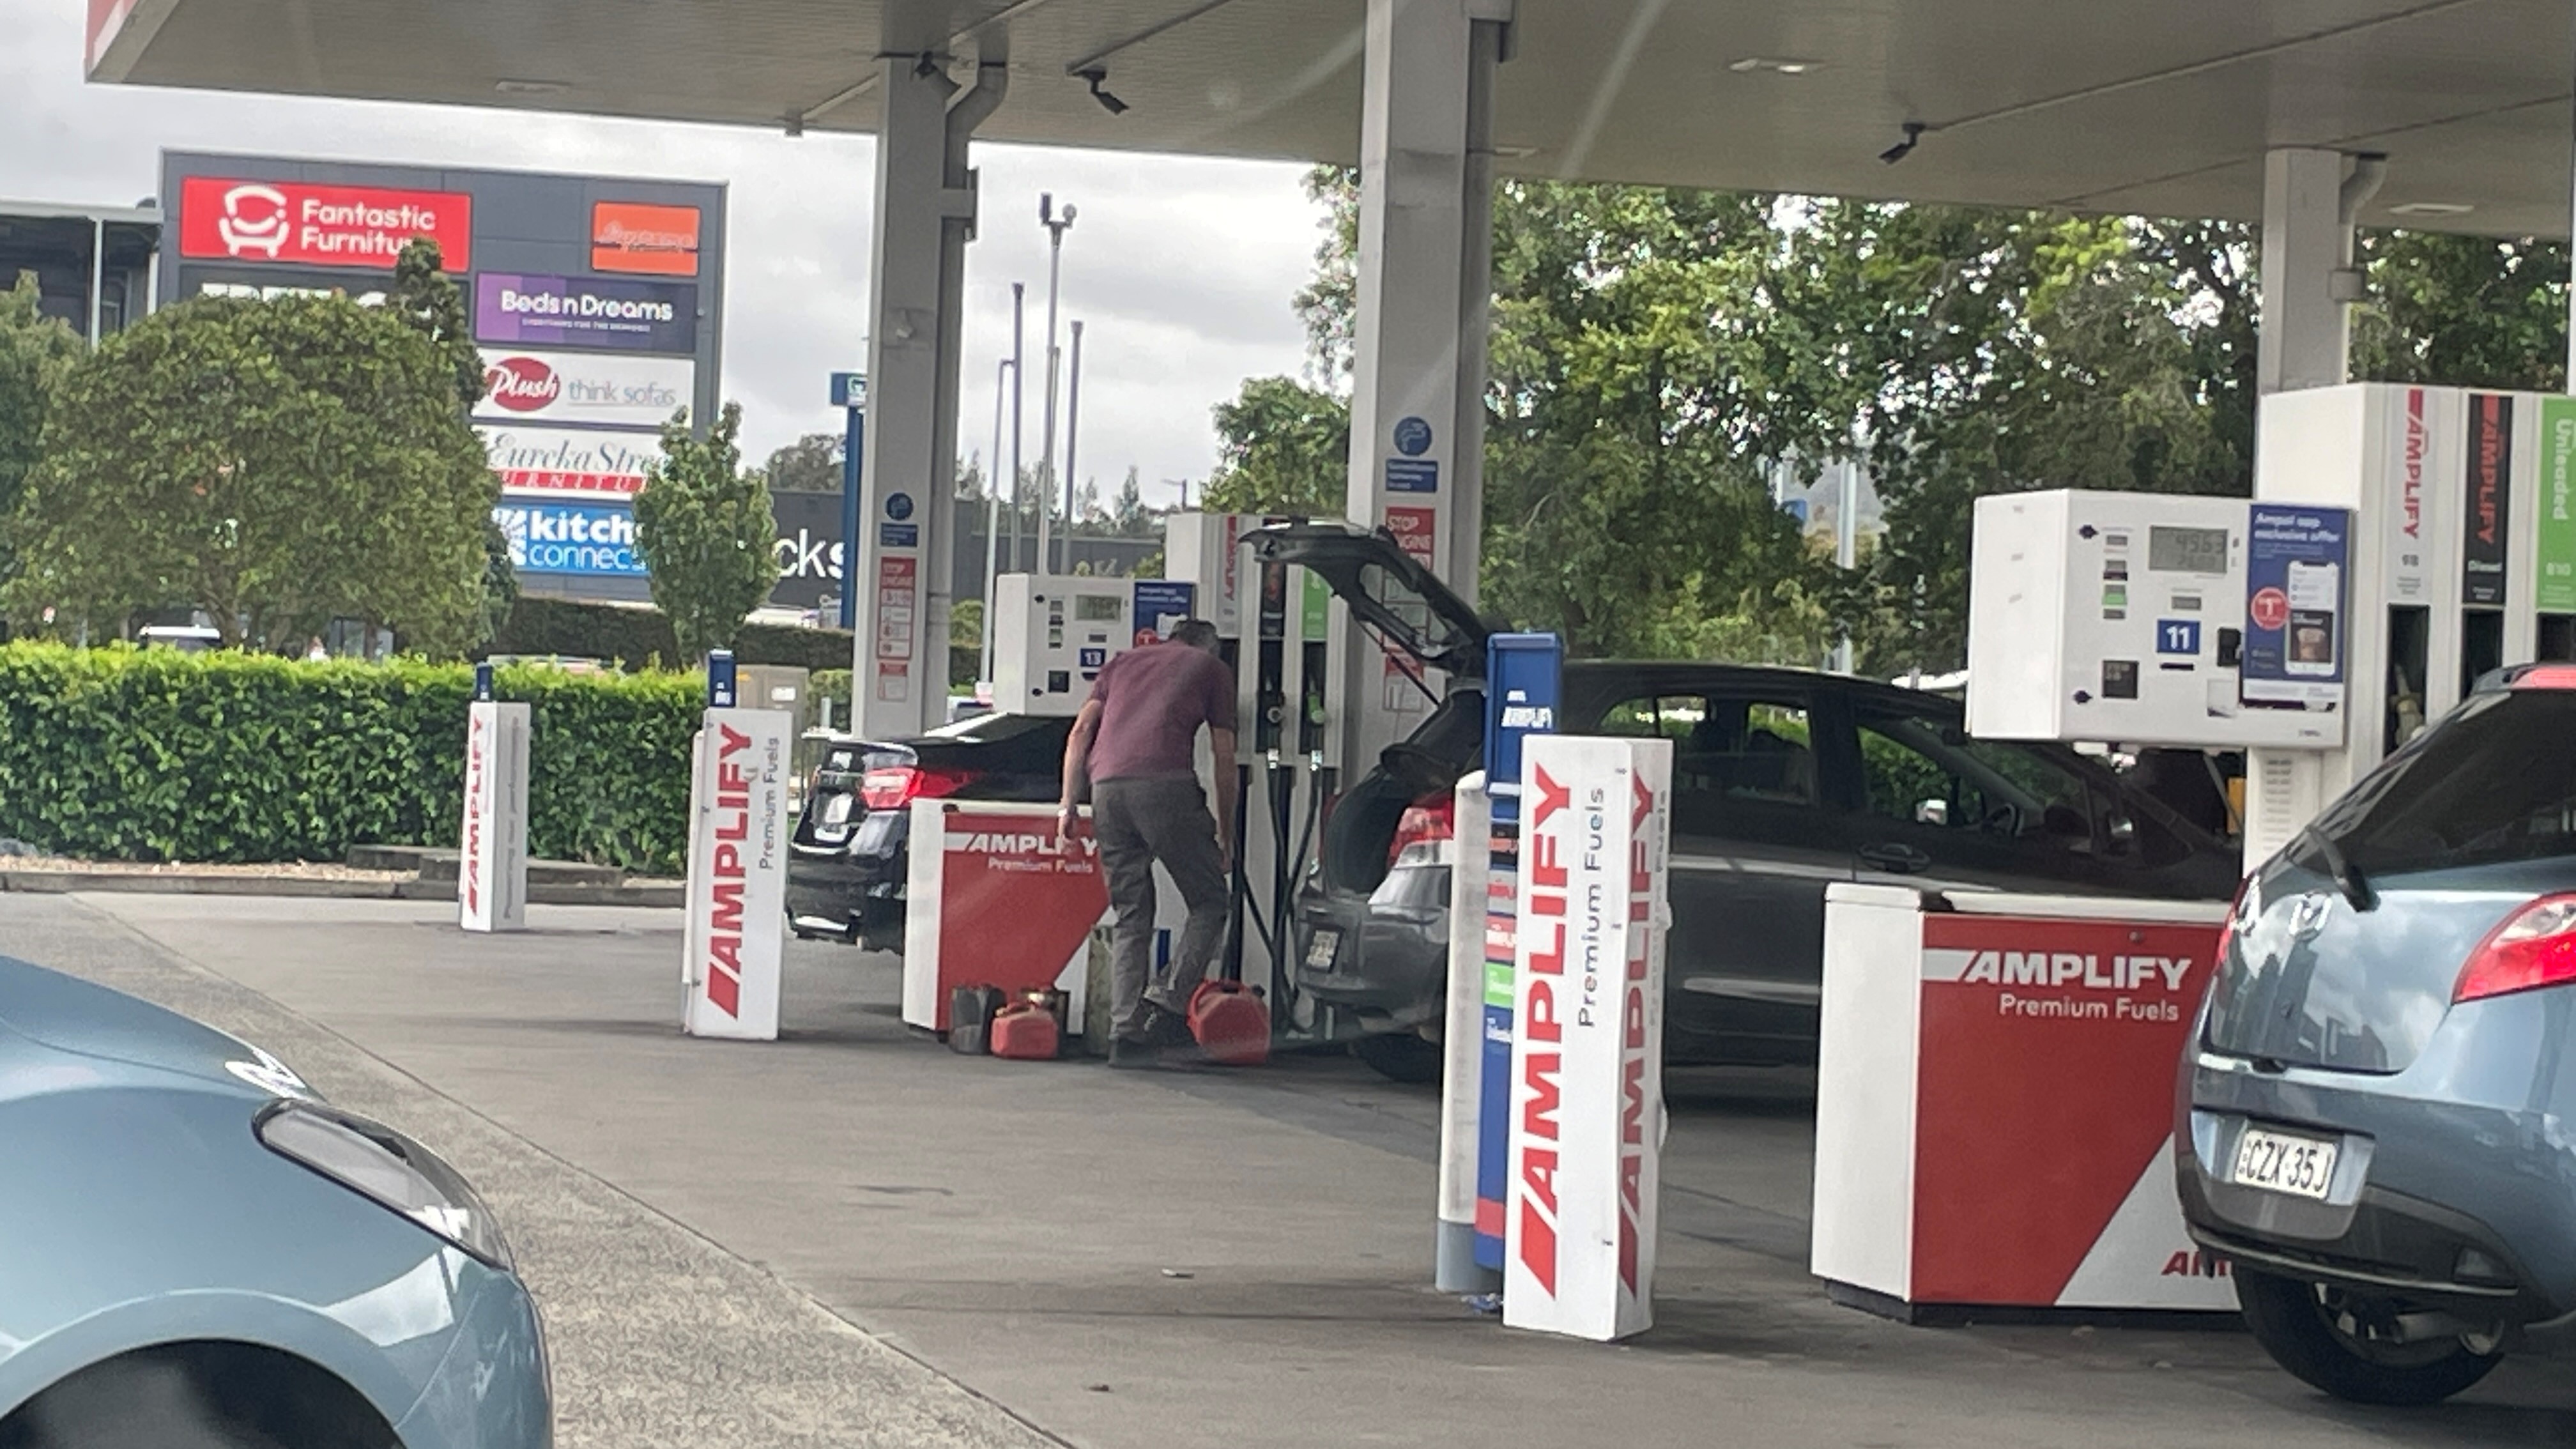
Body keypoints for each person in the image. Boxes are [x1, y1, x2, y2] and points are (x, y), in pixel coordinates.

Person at [1057, 620, 1238, 1068]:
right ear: (1209, 647)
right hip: (1166, 789)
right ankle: (1165, 1005)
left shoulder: (1122, 663)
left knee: (1132, 914)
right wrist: (1226, 833)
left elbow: (1080, 733)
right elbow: (1224, 755)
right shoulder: (1210, 668)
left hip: (1106, 792)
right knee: (1210, 901)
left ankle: (1125, 1033)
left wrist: (1068, 807)